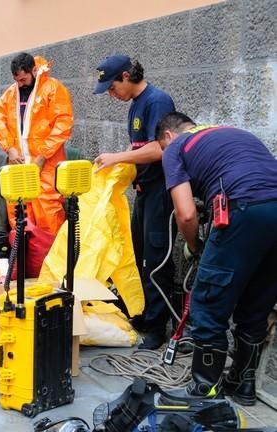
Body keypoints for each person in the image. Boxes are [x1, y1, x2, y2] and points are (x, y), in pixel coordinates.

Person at [156, 112, 277, 404]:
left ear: (168, 136)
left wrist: (196, 246)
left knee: (208, 301)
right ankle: (242, 384)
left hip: (242, 208)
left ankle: (204, 389)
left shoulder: (175, 147)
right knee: (256, 302)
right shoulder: (234, 133)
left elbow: (185, 214)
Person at [93, 55, 176, 350]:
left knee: (157, 259)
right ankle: (141, 314)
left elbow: (160, 149)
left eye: (112, 87)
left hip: (162, 191)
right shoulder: (135, 105)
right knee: (136, 252)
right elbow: (139, 146)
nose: (112, 94)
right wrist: (119, 162)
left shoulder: (157, 101)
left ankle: (157, 327)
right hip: (143, 191)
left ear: (126, 76)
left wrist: (117, 157)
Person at [0, 52, 73, 236]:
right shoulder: (11, 93)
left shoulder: (53, 89)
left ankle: (50, 262)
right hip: (19, 164)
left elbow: (63, 124)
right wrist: (10, 148)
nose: (20, 84)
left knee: (48, 213)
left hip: (47, 165)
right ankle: (24, 261)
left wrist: (43, 156)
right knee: (18, 214)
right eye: (16, 80)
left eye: (23, 79)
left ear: (34, 70)